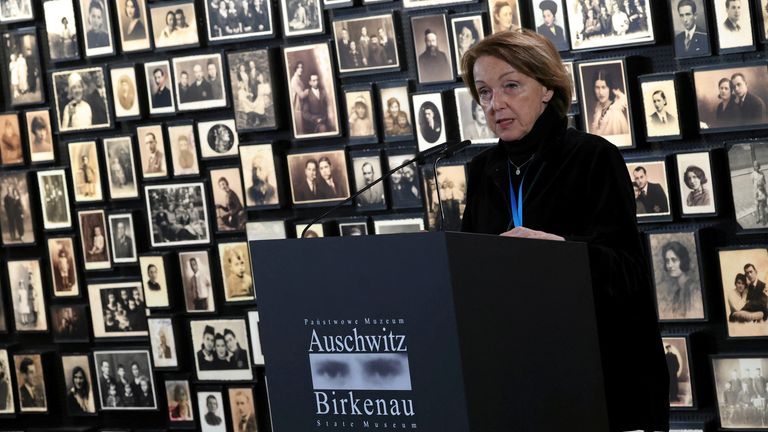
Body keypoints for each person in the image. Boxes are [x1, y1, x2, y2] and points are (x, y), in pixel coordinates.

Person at [458, 30, 668, 431]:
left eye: (511, 86)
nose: (495, 104)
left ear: (547, 89)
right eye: (484, 92)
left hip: (594, 374)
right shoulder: (484, 170)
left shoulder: (593, 158)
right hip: (515, 378)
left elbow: (629, 274)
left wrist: (562, 254)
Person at [656, 241, 703, 319]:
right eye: (667, 261)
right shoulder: (677, 293)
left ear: (683, 261)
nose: (670, 265)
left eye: (674, 260)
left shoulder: (693, 289)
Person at [590, 69, 629, 136]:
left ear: (610, 88)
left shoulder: (615, 114)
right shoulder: (599, 111)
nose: (600, 92)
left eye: (604, 87)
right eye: (597, 87)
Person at [290, 62, 309, 135]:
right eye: (298, 67)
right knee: (300, 131)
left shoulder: (298, 79)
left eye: (301, 67)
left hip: (301, 107)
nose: (301, 69)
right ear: (295, 69)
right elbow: (302, 95)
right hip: (297, 108)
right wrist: (308, 90)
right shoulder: (294, 80)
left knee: (303, 129)